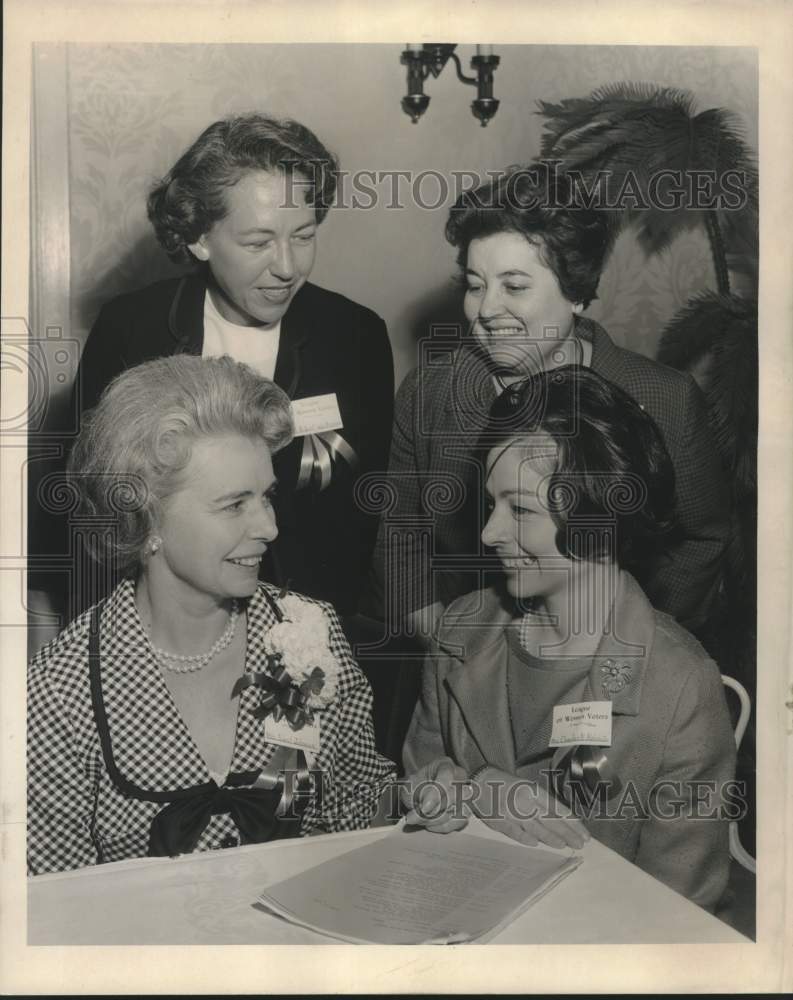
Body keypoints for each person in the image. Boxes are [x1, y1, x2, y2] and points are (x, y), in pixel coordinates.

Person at [27, 356, 396, 875]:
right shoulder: (60, 692)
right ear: (146, 516)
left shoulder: (309, 632)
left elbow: (357, 810)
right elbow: (53, 907)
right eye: (234, 505)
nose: (268, 527)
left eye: (267, 498)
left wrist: (427, 799)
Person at [401, 367, 736, 911]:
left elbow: (678, 920)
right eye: (491, 504)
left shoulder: (680, 689)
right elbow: (413, 797)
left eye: (521, 510)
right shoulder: (461, 631)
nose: (488, 533)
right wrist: (461, 788)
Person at [369, 161, 730, 641]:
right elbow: (400, 534)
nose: (487, 310)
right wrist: (447, 648)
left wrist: (635, 632)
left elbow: (704, 538)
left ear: (576, 291)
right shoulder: (430, 392)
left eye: (514, 286)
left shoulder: (664, 399)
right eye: (475, 286)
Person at [63, 112, 393, 618]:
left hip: (306, 624)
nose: (287, 267)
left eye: (303, 236)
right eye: (258, 243)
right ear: (199, 237)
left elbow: (362, 518)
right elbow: (91, 509)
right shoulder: (132, 328)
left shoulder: (355, 335)